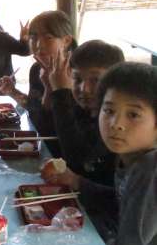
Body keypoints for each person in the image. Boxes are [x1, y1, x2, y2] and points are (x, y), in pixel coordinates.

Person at [33, 62, 157, 245]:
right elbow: (122, 203)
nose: (116, 123)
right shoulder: (134, 158)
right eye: (109, 110)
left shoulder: (151, 170)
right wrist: (77, 182)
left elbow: (133, 244)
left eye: (133, 114)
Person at [44, 40, 124, 185]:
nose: (84, 89)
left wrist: (60, 93)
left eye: (96, 80)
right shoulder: (81, 109)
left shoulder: (113, 120)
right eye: (77, 79)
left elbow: (78, 159)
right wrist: (49, 89)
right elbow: (47, 135)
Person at [0, 10, 76, 154]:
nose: (38, 44)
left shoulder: (76, 75)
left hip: (65, 156)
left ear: (66, 41)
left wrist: (51, 88)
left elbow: (58, 128)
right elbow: (35, 110)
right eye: (33, 37)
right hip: (41, 148)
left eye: (48, 37)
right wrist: (12, 92)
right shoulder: (36, 69)